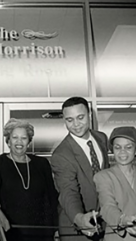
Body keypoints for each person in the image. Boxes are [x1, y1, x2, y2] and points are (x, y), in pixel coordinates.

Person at [0, 118, 58, 241]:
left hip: (41, 232)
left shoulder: (41, 164)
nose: (19, 142)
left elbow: (51, 197)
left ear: (29, 142)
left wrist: (55, 229)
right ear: (8, 141)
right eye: (15, 137)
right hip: (9, 232)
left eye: (24, 138)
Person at [51, 96, 110, 241]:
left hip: (106, 223)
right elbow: (68, 191)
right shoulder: (61, 154)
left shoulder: (101, 138)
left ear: (90, 115)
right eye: (69, 120)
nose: (76, 124)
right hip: (77, 230)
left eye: (80, 117)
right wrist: (79, 218)